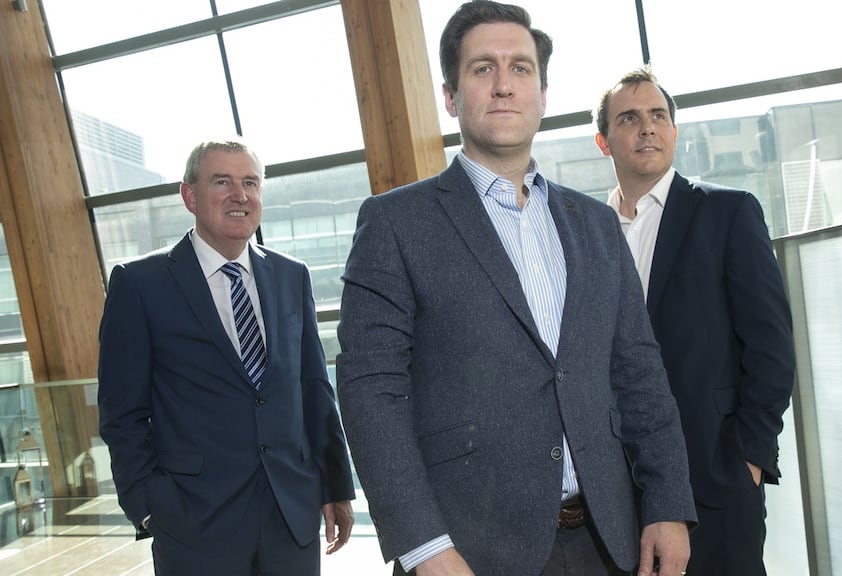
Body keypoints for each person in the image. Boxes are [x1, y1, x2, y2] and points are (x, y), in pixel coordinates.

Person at [336, 2, 696, 576]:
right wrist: (423, 547)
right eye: (483, 69)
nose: (504, 85)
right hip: (468, 551)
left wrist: (668, 505)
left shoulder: (595, 225)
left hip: (609, 541)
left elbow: (639, 375)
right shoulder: (396, 224)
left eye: (521, 69)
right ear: (451, 96)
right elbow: (370, 394)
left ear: (543, 94)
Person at [98, 139, 356, 575]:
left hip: (290, 519)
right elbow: (121, 412)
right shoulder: (139, 284)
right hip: (193, 524)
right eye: (223, 182)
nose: (240, 196)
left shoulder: (293, 276)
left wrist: (335, 486)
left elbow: (314, 390)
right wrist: (145, 506)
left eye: (250, 183)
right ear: (190, 196)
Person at [594, 67, 797, 575]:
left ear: (674, 132)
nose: (647, 128)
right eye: (630, 118)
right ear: (603, 141)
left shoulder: (728, 212)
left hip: (715, 476)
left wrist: (748, 458)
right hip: (619, 491)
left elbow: (772, 349)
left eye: (658, 116)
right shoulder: (585, 233)